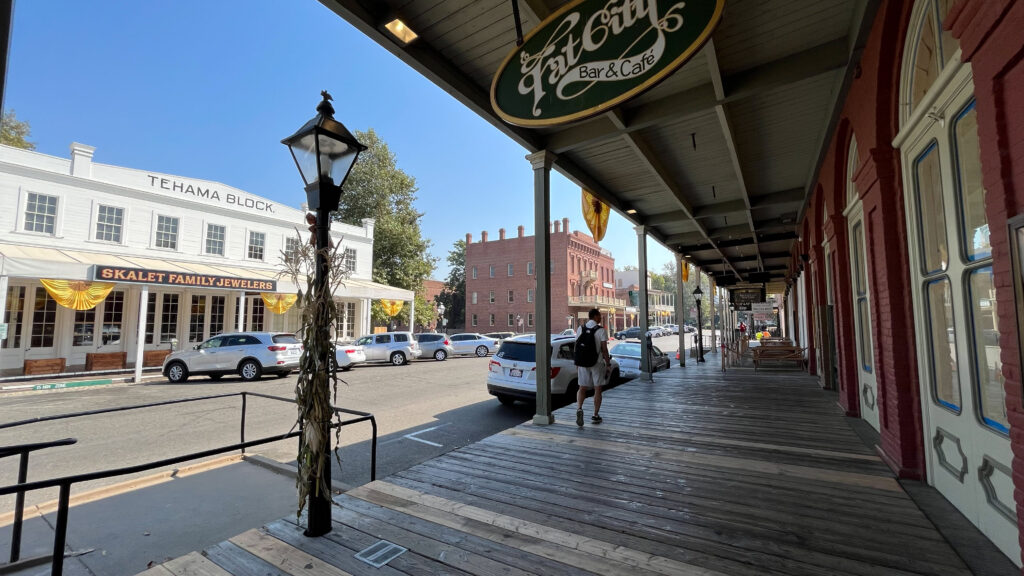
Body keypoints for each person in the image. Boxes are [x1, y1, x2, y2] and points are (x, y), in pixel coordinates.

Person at [574, 308, 610, 427]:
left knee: (582, 387)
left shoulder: (580, 328)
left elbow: (576, 347)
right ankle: (595, 415)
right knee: (597, 389)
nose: (600, 318)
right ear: (595, 317)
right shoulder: (601, 330)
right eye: (599, 316)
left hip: (583, 362)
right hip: (597, 363)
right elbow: (604, 350)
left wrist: (577, 363)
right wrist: (608, 364)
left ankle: (579, 408)